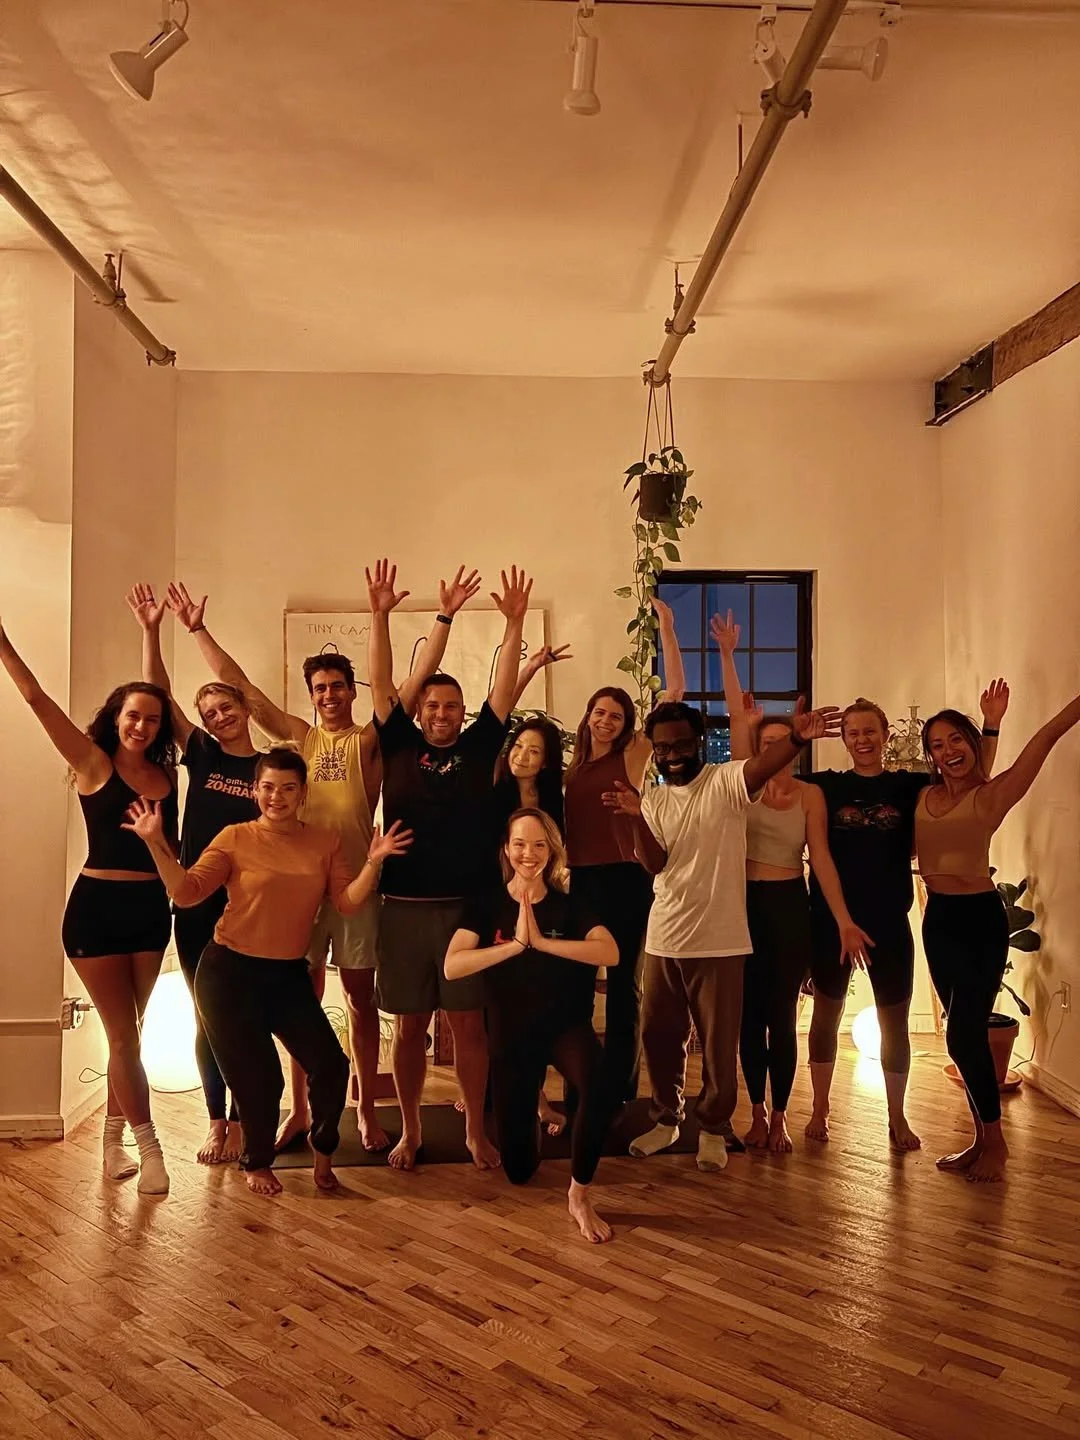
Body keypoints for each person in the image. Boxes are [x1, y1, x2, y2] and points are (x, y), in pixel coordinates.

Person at [164, 569, 477, 1154]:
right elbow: (243, 688)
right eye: (320, 689)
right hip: (300, 895)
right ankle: (302, 1112)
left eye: (337, 687)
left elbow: (412, 683)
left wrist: (428, 615)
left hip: (355, 891)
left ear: (352, 691)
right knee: (299, 1004)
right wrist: (198, 630)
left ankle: (364, 1110)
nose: (329, 695)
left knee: (359, 1002)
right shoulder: (301, 739)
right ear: (311, 696)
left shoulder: (369, 742)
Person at [123, 747, 411, 1196]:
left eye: (288, 788)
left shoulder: (324, 841)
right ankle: (256, 1162)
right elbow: (186, 892)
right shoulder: (235, 837)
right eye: (269, 787)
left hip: (287, 975)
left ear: (303, 793)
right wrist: (154, 842)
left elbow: (347, 903)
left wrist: (374, 862)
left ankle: (323, 1151)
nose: (277, 797)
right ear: (255, 790)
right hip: (228, 974)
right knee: (261, 1079)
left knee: (331, 1064)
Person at [605, 693, 840, 1173]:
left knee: (717, 1043)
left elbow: (762, 765)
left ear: (698, 742)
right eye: (662, 749)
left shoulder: (726, 782)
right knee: (659, 1035)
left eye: (680, 745)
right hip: (664, 936)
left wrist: (797, 736)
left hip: (721, 939)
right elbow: (654, 864)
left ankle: (713, 1127)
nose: (671, 756)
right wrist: (635, 817)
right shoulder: (653, 797)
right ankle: (667, 1119)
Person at [1, 616, 176, 1195]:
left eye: (152, 719)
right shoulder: (93, 763)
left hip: (150, 909)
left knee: (131, 1033)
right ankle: (149, 1148)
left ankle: (110, 1142)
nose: (142, 726)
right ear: (115, 717)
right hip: (96, 911)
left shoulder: (167, 776)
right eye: (133, 716)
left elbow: (160, 693)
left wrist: (151, 633)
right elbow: (36, 699)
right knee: (122, 1035)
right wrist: (4, 644)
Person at [368, 560, 530, 1171]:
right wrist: (381, 615)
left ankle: (473, 1132)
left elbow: (504, 689)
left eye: (452, 706)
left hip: (465, 910)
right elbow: (381, 682)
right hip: (403, 909)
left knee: (468, 1026)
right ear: (420, 711)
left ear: (463, 712)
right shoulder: (398, 741)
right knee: (409, 1029)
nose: (442, 713)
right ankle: (410, 1131)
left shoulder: (481, 745)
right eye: (433, 705)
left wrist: (513, 623)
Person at [804, 683, 1008, 1150]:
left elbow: (972, 780)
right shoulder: (827, 787)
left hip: (888, 923)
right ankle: (819, 1107)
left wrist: (991, 725)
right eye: (853, 732)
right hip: (832, 922)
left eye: (870, 731)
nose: (863, 740)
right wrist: (799, 738)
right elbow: (774, 785)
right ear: (844, 739)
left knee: (894, 1021)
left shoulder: (909, 786)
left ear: (885, 734)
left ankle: (896, 1116)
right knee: (826, 1015)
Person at [712, 611, 871, 1153]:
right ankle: (755, 1113)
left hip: (787, 908)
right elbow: (736, 715)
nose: (778, 749)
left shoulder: (810, 796)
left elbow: (821, 859)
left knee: (781, 1018)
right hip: (742, 906)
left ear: (797, 746)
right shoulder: (743, 785)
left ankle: (780, 1115)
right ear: (759, 750)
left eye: (786, 741)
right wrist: (728, 654)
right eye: (769, 742)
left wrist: (844, 921)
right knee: (747, 1019)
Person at [917, 691, 1080, 1183]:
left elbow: (1045, 738)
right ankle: (981, 1139)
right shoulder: (923, 796)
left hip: (979, 923)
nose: (948, 750)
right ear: (930, 754)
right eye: (938, 744)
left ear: (972, 743)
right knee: (960, 1036)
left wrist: (995, 725)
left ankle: (998, 1143)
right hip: (938, 920)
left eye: (957, 740)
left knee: (962, 1035)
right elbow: (963, 769)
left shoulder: (992, 796)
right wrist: (988, 727)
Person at [127, 583, 259, 1165]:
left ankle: (246, 1117)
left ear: (244, 709)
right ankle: (216, 1120)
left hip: (248, 904)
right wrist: (153, 630)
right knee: (206, 1012)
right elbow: (158, 693)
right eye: (208, 714)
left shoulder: (268, 768)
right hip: (196, 898)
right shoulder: (202, 753)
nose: (218, 718)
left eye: (226, 708)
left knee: (244, 1014)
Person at [445, 809, 618, 1242]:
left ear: (552, 851)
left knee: (598, 1084)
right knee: (519, 1170)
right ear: (507, 849)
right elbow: (453, 965)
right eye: (520, 844)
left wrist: (542, 942)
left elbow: (610, 952)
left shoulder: (570, 902)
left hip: (565, 1027)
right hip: (512, 1036)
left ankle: (579, 1194)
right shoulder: (487, 903)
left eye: (539, 844)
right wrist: (516, 946)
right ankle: (539, 1114)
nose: (529, 853)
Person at [563, 597, 685, 1106]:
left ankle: (619, 1090)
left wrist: (667, 628)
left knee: (623, 991)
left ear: (625, 724)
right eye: (600, 712)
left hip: (627, 879)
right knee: (573, 990)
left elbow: (674, 693)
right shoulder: (571, 767)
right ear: (588, 716)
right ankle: (580, 1086)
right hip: (580, 882)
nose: (606, 721)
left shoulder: (633, 754)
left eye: (616, 716)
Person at [492, 709, 572, 1135]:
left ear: (546, 761)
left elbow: (561, 855)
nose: (522, 755)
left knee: (537, 1001)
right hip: (499, 903)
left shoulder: (554, 800)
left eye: (534, 751)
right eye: (518, 746)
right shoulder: (494, 792)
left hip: (544, 902)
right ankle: (506, 1095)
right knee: (502, 1003)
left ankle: (537, 1098)